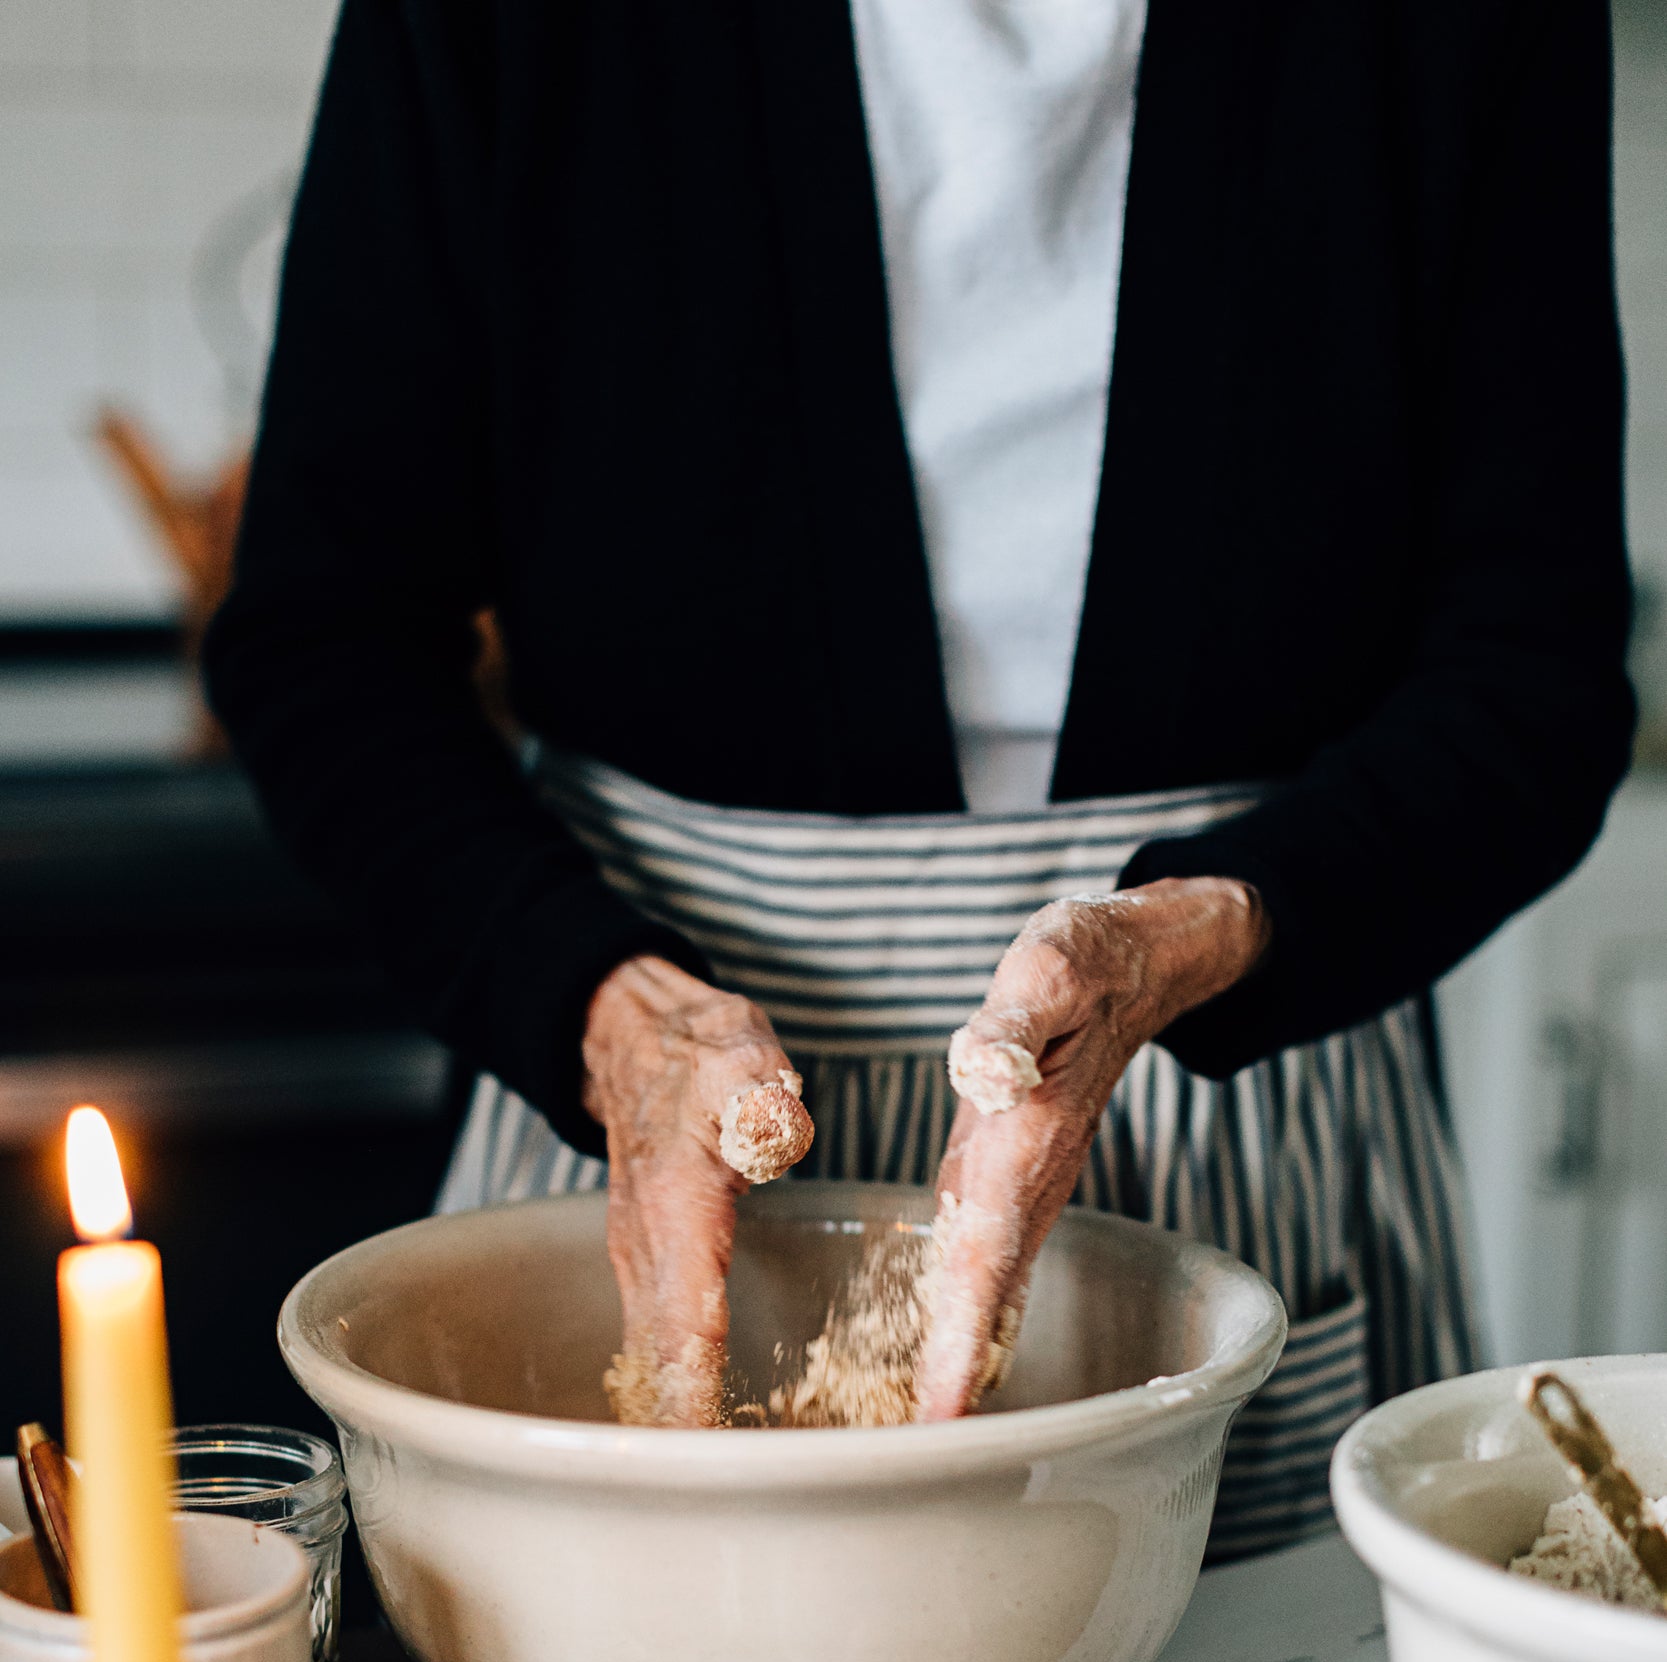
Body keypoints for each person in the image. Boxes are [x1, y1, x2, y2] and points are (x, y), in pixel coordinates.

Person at [206, 1, 1633, 1554]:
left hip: (1225, 1111)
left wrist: (1187, 936)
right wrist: (613, 1022)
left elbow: (1537, 678)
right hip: (640, 1092)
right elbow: (323, 644)